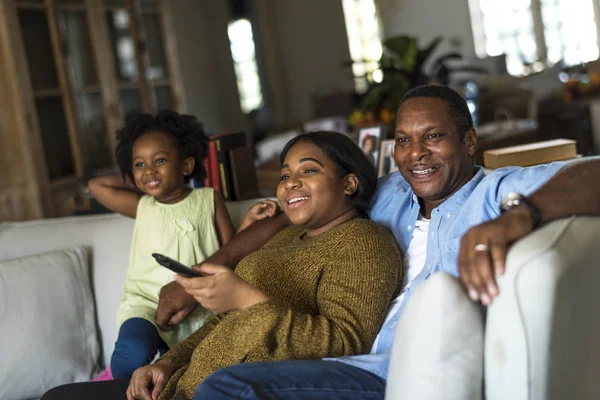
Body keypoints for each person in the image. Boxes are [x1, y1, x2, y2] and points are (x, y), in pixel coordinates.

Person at [181, 84, 600, 399]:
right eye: (403, 139)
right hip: (342, 360)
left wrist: (520, 215)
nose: (415, 153)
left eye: (433, 136)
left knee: (228, 387)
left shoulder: (494, 192)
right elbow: (295, 211)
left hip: (399, 376)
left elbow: (593, 171)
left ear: (469, 141)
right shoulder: (391, 191)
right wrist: (204, 270)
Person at [42, 131, 403, 400]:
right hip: (181, 384)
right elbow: (220, 322)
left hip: (232, 389)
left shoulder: (365, 243)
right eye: (284, 174)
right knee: (57, 397)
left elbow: (345, 342)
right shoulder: (283, 238)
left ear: (349, 183)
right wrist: (167, 364)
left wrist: (249, 301)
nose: (291, 182)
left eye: (308, 170)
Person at [87, 110, 235, 379]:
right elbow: (97, 186)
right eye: (140, 164)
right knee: (128, 359)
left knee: (202, 371)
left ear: (187, 166)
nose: (150, 170)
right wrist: (139, 179)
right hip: (145, 304)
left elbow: (233, 250)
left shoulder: (208, 200)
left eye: (160, 161)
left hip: (199, 308)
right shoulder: (142, 206)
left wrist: (249, 221)